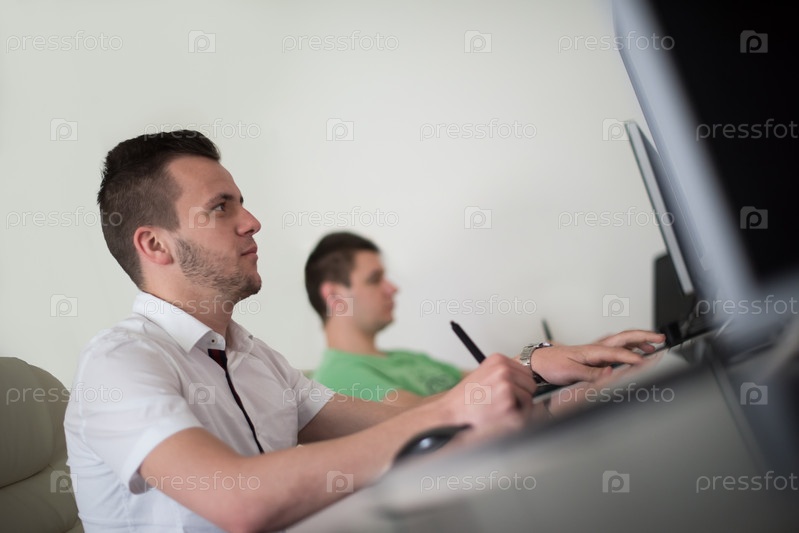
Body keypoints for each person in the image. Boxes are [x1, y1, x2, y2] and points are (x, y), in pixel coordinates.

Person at [63, 130, 541, 532]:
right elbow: (238, 500)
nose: (252, 223)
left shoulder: (255, 357)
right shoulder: (117, 363)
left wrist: (535, 372)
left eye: (241, 204)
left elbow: (402, 422)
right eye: (221, 208)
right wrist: (458, 409)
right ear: (155, 244)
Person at [306, 231, 665, 406]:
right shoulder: (338, 377)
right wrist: (533, 361)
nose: (392, 288)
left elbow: (490, 380)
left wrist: (581, 354)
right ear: (334, 297)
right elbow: (421, 418)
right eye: (375, 280)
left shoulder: (403, 359)